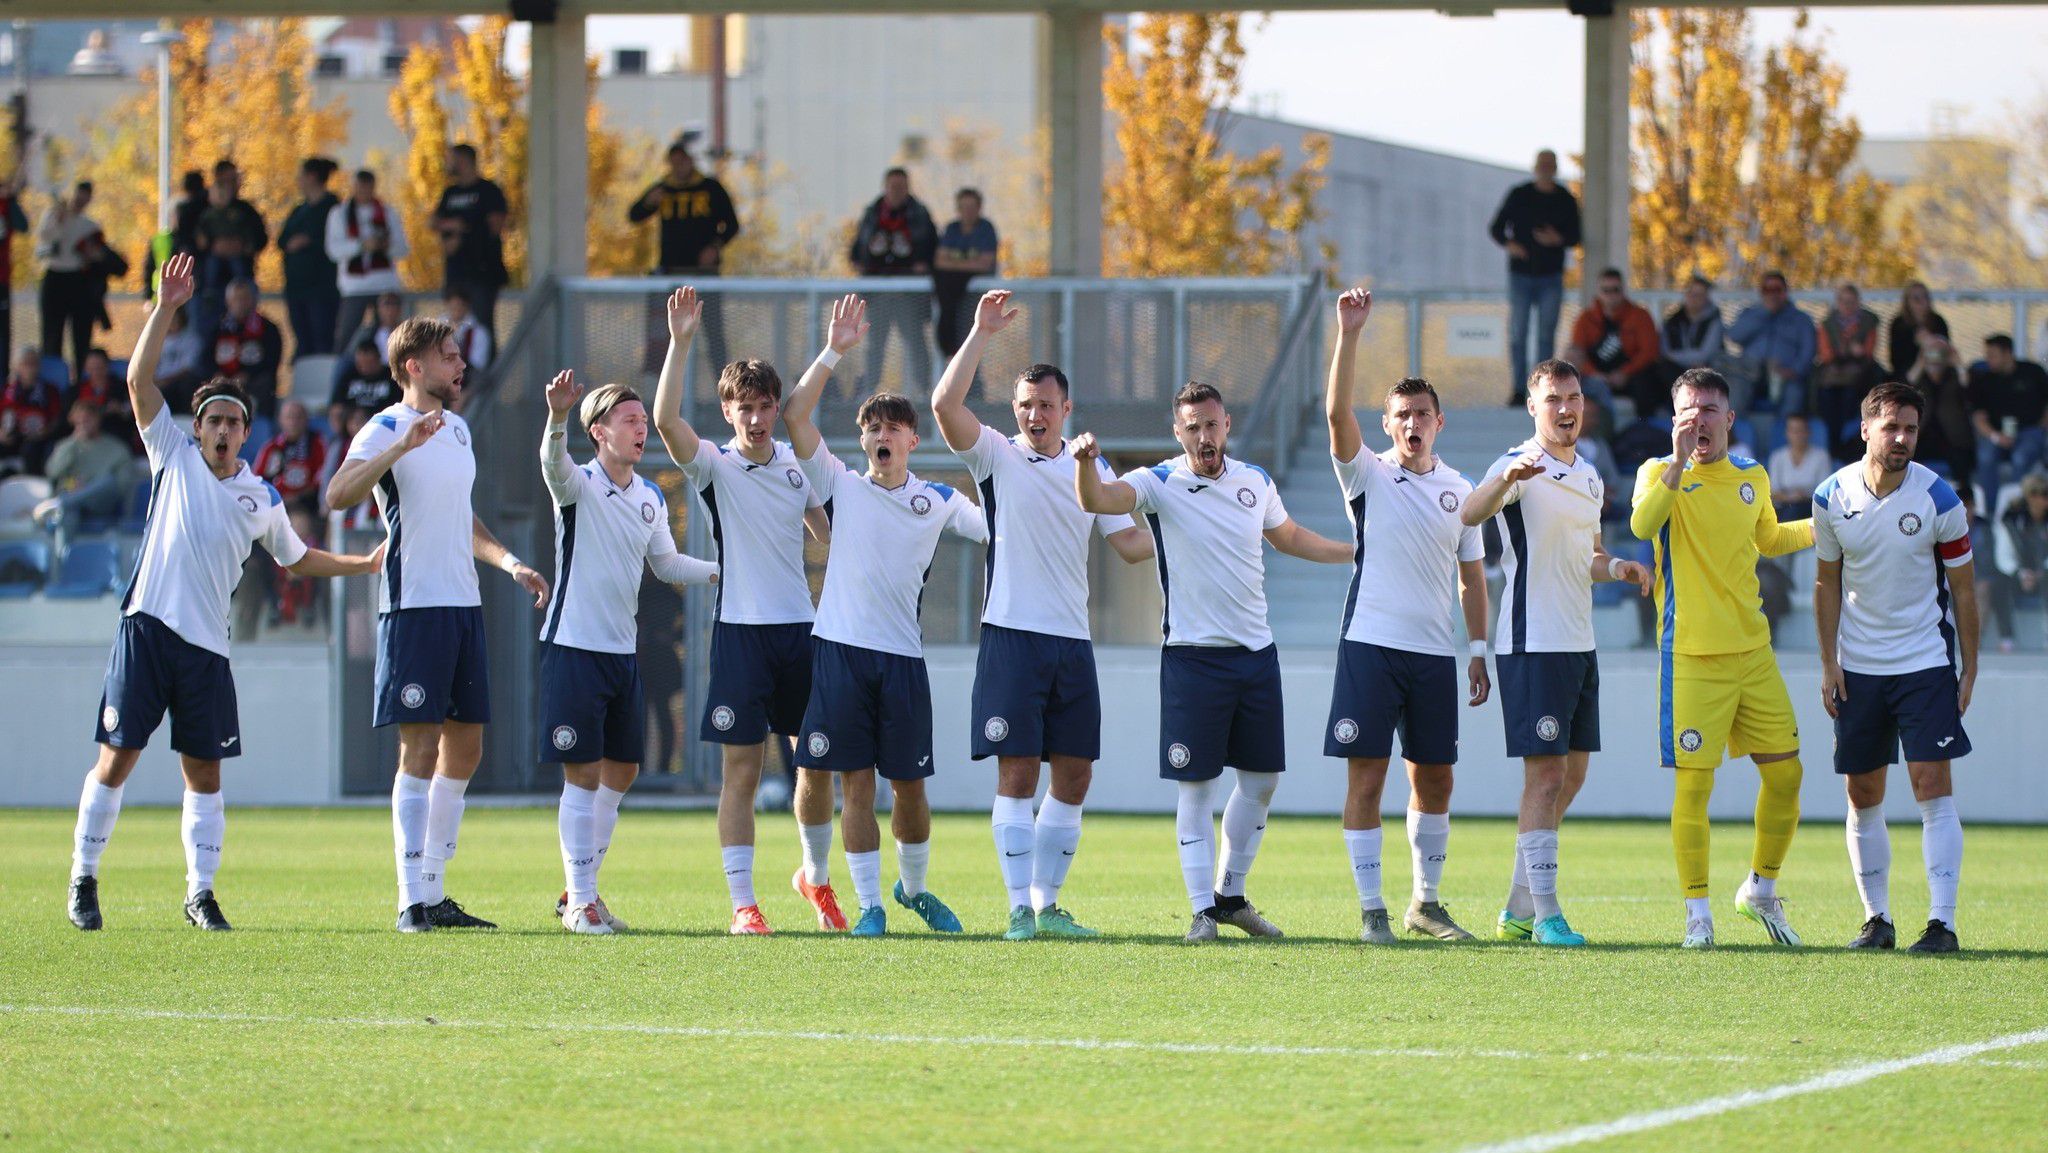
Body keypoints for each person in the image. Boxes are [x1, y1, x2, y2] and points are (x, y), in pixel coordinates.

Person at [64, 252, 381, 933]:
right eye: (213, 419)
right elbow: (136, 376)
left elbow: (299, 560)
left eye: (234, 422)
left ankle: (200, 892)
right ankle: (83, 878)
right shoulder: (171, 455)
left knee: (204, 773)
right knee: (116, 758)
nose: (222, 429)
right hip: (147, 627)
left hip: (207, 646)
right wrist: (166, 307)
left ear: (245, 431)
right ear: (198, 425)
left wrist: (363, 564)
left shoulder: (261, 496)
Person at [1075, 381, 1352, 943]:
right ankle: (1201, 909)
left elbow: (1291, 537)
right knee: (1195, 789)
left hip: (1256, 656)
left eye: (1212, 424)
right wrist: (1085, 465)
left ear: (1227, 425)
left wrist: (1357, 551)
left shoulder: (1256, 481)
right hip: (1192, 660)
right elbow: (1099, 502)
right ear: (1179, 433)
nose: (1205, 435)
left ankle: (1231, 896)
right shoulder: (1158, 482)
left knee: (1262, 781)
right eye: (1193, 426)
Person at [930, 289, 1154, 940]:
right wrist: (979, 333)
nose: (1035, 414)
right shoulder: (997, 455)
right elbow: (945, 407)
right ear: (1016, 411)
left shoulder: (1092, 467)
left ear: (1066, 409)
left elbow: (1131, 545)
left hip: (1071, 642)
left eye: (1045, 405)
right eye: (1025, 405)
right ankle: (1018, 910)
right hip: (1011, 637)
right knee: (1018, 772)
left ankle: (1048, 903)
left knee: (1076, 773)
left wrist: (1190, 539)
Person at [326, 314, 549, 933]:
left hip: (463, 606)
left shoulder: (458, 430)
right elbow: (337, 494)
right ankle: (409, 901)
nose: (461, 365)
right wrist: (400, 447)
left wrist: (509, 562)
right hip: (413, 607)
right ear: (415, 367)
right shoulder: (384, 427)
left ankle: (434, 891)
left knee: (466, 746)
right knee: (418, 747)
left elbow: (462, 518)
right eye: (450, 356)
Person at [782, 294, 988, 937]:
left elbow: (1001, 530)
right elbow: (794, 416)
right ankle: (869, 903)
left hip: (903, 660)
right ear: (863, 441)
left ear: (912, 441)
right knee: (854, 784)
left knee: (911, 789)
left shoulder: (938, 500)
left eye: (893, 430)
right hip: (840, 651)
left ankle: (913, 890)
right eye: (872, 430)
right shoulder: (841, 486)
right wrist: (834, 349)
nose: (881, 438)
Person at [649, 287, 843, 936]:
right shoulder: (714, 466)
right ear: (727, 410)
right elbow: (667, 422)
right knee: (741, 767)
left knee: (815, 763)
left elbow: (829, 536)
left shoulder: (796, 466)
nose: (756, 419)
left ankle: (815, 877)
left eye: (765, 407)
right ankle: (743, 904)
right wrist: (681, 342)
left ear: (775, 408)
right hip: (739, 633)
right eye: (743, 408)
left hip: (801, 632)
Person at [1461, 355, 1651, 947]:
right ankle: (1546, 916)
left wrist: (1616, 565)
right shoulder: (1518, 465)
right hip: (1531, 641)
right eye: (1553, 400)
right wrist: (1506, 479)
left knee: (1571, 775)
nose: (1566, 409)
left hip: (1578, 642)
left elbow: (1586, 554)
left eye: (1573, 398)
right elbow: (1469, 514)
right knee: (1544, 778)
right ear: (1533, 407)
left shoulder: (1590, 475)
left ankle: (1519, 908)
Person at [1321, 289, 1492, 944]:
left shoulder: (1461, 490)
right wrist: (1350, 334)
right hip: (1369, 645)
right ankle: (1372, 911)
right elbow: (1337, 411)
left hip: (1431, 655)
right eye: (1400, 415)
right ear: (1388, 424)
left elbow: (1471, 574)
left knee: (1436, 775)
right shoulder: (1365, 476)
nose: (1411, 423)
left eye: (1421, 413)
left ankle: (1426, 902)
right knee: (1367, 774)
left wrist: (1477, 647)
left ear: (1439, 422)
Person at [1630, 366, 1814, 949]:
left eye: (1709, 409)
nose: (1698, 419)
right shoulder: (1658, 472)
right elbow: (1641, 524)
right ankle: (1697, 914)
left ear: (1729, 419)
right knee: (1694, 790)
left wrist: (1827, 524)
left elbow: (1770, 540)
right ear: (1675, 418)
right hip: (1690, 655)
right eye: (1688, 410)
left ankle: (1760, 888)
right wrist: (1679, 464)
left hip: (1753, 652)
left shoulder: (1752, 475)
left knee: (1787, 775)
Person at [538, 369, 719, 934]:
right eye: (631, 420)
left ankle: (579, 892)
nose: (642, 429)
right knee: (583, 776)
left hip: (621, 653)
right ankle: (584, 904)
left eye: (644, 421)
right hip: (573, 646)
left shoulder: (649, 495)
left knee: (624, 769)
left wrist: (723, 571)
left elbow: (665, 565)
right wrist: (556, 415)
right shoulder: (577, 483)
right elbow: (551, 463)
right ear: (599, 431)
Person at [1812, 382, 1976, 955]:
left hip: (1925, 663)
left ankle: (1942, 924)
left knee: (1933, 788)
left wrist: (1969, 668)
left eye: (1910, 428)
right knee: (1862, 793)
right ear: (1866, 430)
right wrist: (1829, 662)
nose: (1902, 438)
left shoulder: (1941, 500)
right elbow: (1826, 581)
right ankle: (1876, 920)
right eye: (1891, 427)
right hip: (1858, 669)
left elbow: (1964, 589)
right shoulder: (1831, 497)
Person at [628, 140, 739, 373]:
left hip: (704, 275)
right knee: (668, 335)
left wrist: (715, 247)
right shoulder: (664, 188)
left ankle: (727, 387)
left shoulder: (710, 188)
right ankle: (665, 391)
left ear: (691, 161)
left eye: (683, 160)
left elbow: (732, 225)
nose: (678, 166)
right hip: (671, 275)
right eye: (674, 162)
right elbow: (634, 215)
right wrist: (649, 202)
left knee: (713, 334)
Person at [1488, 149, 1582, 405]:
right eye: (1542, 163)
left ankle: (1542, 388)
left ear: (1555, 167)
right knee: (1518, 333)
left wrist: (1557, 239)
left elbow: (1576, 235)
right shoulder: (1520, 194)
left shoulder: (1564, 198)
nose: (1546, 168)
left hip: (1551, 276)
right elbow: (1496, 228)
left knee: (1545, 335)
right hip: (1521, 275)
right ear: (1535, 166)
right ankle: (1519, 389)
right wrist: (1512, 246)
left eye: (1550, 163)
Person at [849, 168, 938, 395]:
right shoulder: (872, 213)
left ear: (908, 188)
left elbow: (932, 248)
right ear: (885, 187)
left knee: (916, 345)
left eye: (902, 186)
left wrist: (922, 265)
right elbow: (857, 251)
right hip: (878, 294)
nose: (897, 191)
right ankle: (866, 393)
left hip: (909, 295)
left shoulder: (919, 214)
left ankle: (926, 392)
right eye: (893, 186)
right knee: (875, 347)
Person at [432, 143, 510, 347]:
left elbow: (496, 225)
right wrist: (452, 226)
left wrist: (466, 230)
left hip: (482, 273)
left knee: (482, 328)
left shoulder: (488, 190)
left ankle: (484, 376)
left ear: (464, 160)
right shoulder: (450, 193)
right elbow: (433, 222)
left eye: (452, 159)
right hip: (455, 272)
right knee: (452, 328)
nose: (447, 164)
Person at [326, 169, 407, 353]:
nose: (364, 191)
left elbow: (403, 249)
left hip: (384, 285)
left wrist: (385, 246)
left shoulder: (388, 213)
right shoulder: (340, 213)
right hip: (354, 287)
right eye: (359, 187)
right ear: (353, 187)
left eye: (367, 187)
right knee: (345, 338)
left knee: (392, 338)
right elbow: (333, 250)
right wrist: (361, 246)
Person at [36, 181, 109, 379]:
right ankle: (52, 380)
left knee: (81, 337)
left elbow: (100, 253)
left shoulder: (89, 225)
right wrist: (59, 220)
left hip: (78, 280)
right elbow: (43, 241)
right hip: (54, 276)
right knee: (52, 336)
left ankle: (81, 381)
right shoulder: (53, 216)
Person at [193, 161, 269, 341]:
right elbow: (192, 238)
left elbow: (258, 238)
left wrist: (242, 245)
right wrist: (213, 245)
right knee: (209, 332)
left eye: (234, 180)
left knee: (244, 331)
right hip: (208, 285)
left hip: (240, 280)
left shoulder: (244, 211)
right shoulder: (201, 209)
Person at [1564, 267, 1656, 414]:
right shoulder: (1585, 319)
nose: (1611, 295)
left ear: (1623, 290)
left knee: (1647, 382)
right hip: (1596, 377)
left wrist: (1625, 373)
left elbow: (1649, 352)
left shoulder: (1640, 316)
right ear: (1598, 292)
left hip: (1630, 376)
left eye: (1615, 290)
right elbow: (1577, 354)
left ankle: (1645, 427)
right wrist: (1596, 374)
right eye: (1606, 290)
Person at [1723, 272, 1816, 418]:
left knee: (1794, 393)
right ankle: (1732, 436)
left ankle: (1786, 438)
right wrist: (1764, 312)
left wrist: (1793, 371)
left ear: (1785, 292)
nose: (1772, 295)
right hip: (1750, 373)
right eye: (1767, 290)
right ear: (1761, 292)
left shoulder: (1801, 319)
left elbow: (1808, 351)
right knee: (1735, 390)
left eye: (1777, 290)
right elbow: (1733, 335)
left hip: (1784, 375)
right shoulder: (1751, 313)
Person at [32, 399, 134, 527]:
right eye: (80, 420)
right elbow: (53, 473)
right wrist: (73, 443)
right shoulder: (66, 446)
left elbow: (122, 485)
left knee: (108, 481)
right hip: (73, 500)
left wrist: (89, 487)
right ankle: (63, 547)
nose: (84, 423)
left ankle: (61, 503)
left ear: (98, 419)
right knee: (68, 512)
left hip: (100, 503)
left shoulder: (117, 448)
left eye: (88, 418)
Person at [1813, 284, 1883, 462]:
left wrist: (1856, 352)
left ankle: (1847, 442)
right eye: (1844, 302)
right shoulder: (1827, 324)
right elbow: (1825, 353)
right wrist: (1845, 350)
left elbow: (1867, 352)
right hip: (1834, 372)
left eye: (1851, 302)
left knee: (1850, 395)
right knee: (1827, 396)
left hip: (1860, 372)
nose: (1847, 306)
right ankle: (1834, 444)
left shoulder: (1869, 322)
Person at [1967, 334, 2048, 489]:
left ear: (2008, 353)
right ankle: (1990, 509)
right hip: (1995, 433)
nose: (1988, 359)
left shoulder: (2033, 372)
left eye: (1993, 355)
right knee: (1985, 457)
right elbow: (1979, 417)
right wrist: (1996, 437)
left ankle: (2014, 505)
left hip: (2029, 431)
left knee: (2021, 458)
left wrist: (2042, 425)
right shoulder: (1984, 380)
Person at [280, 158, 341, 360]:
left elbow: (334, 240)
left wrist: (310, 241)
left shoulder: (333, 208)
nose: (299, 181)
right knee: (302, 340)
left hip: (321, 288)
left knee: (321, 338)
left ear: (312, 176)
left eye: (302, 176)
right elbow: (282, 239)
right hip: (296, 287)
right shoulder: (299, 210)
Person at [931, 189, 999, 364]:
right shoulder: (952, 229)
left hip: (976, 298)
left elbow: (984, 264)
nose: (968, 212)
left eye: (972, 207)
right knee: (952, 338)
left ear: (979, 208)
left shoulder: (985, 229)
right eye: (964, 207)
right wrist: (969, 264)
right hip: (952, 300)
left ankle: (976, 390)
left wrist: (954, 265)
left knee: (971, 344)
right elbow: (939, 262)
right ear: (958, 209)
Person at [1650, 276, 1724, 418]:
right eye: (1691, 294)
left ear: (1707, 297)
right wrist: (1684, 360)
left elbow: (1706, 353)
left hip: (1706, 368)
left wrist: (1675, 357)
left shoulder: (1714, 321)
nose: (1694, 298)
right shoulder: (1672, 321)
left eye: (1699, 295)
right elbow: (1664, 351)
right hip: (1677, 370)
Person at [1990, 471, 2048, 653]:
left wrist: (2042, 570)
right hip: (2017, 571)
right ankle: (2006, 637)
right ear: (2031, 497)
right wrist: (2020, 572)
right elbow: (2003, 554)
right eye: (2042, 495)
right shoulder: (2011, 517)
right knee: (1998, 583)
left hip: (2044, 570)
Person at [211, 279, 285, 419]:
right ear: (228, 302)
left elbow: (272, 360)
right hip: (222, 380)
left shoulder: (268, 328)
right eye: (236, 299)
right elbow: (204, 358)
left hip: (253, 381)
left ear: (253, 300)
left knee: (265, 383)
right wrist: (217, 374)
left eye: (244, 298)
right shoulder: (217, 328)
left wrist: (247, 374)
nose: (240, 303)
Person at [1907, 339, 1974, 489]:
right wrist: (1921, 362)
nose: (1935, 358)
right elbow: (1905, 385)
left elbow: (1969, 387)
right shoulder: (1920, 378)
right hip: (1923, 434)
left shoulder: (1954, 376)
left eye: (1939, 353)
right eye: (1931, 353)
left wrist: (1957, 363)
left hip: (1952, 436)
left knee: (1961, 461)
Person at [253, 399, 327, 516]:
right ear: (280, 420)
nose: (294, 422)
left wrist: (296, 498)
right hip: (275, 503)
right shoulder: (271, 447)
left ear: (306, 420)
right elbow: (258, 481)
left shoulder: (317, 443)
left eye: (298, 417)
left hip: (306, 504)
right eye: (289, 417)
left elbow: (321, 479)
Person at [0, 347, 66, 477]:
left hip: (37, 437)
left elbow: (57, 418)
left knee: (30, 450)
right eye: (26, 364)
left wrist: (46, 431)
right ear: (17, 367)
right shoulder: (7, 389)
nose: (30, 368)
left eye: (34, 363)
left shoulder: (49, 390)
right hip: (11, 435)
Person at [333, 292, 408, 398]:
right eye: (386, 305)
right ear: (379, 309)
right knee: (343, 363)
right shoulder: (367, 332)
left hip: (398, 374)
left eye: (394, 304)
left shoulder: (407, 332)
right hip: (372, 373)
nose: (390, 310)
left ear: (400, 309)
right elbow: (353, 354)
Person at [1766, 414, 1833, 524]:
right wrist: (1791, 497)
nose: (1797, 435)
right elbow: (1773, 492)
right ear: (1787, 433)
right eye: (1793, 430)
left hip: (1811, 507)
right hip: (1784, 507)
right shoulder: (1777, 457)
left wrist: (1803, 496)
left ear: (1808, 432)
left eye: (1800, 430)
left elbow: (1825, 491)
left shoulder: (1821, 456)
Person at [328, 337, 400, 434]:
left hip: (381, 424)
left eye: (369, 363)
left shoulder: (391, 377)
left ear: (378, 358)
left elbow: (398, 407)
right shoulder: (350, 376)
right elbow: (336, 406)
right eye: (360, 364)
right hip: (351, 425)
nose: (364, 367)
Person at [0, 174, 32, 374]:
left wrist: (11, 200)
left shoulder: (6, 206)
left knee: (2, 337)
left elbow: (23, 225)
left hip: (1, 280)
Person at [1887, 281, 1948, 382]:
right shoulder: (1899, 324)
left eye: (1925, 297)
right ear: (1907, 302)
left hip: (1937, 367)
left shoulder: (1938, 321)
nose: (1921, 302)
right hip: (1909, 370)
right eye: (1916, 298)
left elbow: (1945, 352)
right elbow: (1896, 360)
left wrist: (1929, 344)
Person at [445, 287, 492, 376]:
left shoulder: (479, 333)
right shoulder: (437, 326)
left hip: (468, 378)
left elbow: (478, 365)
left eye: (460, 305)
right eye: (453, 306)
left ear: (467, 306)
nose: (456, 309)